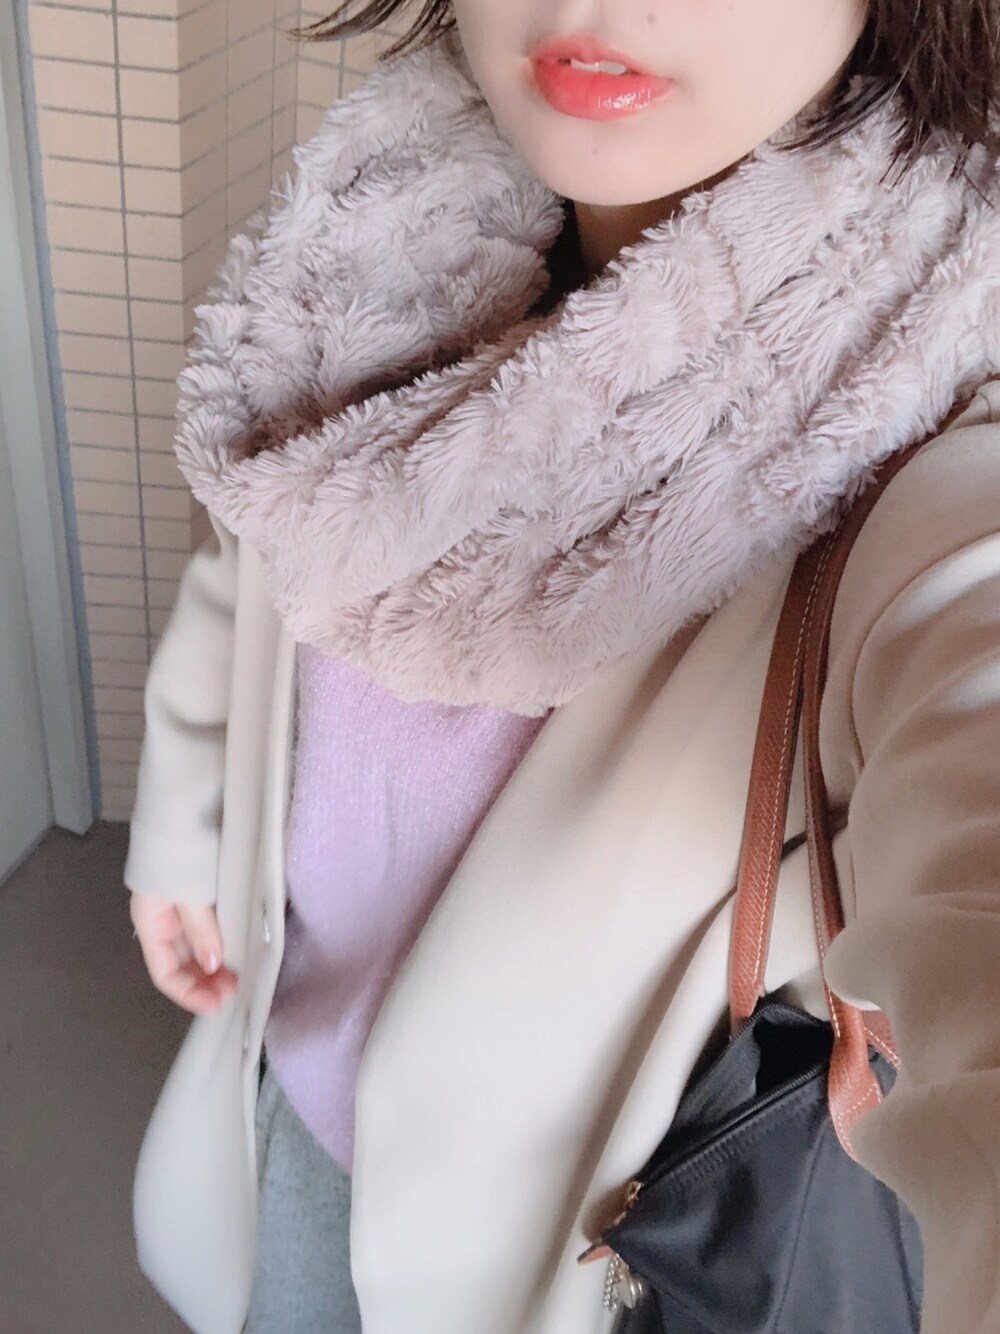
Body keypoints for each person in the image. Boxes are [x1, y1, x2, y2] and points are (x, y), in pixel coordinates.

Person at [124, 2, 1000, 1332]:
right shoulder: (375, 241)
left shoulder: (929, 403)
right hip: (298, 1077)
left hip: (559, 1245)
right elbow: (260, 558)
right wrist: (188, 824)